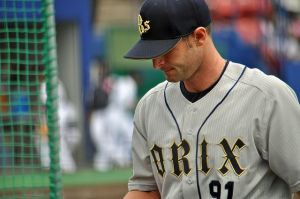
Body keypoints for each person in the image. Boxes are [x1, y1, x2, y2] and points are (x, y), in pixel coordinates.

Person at [122, 0, 300, 198]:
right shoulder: (149, 106)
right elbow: (147, 190)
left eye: (166, 51)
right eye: (152, 53)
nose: (157, 63)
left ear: (199, 36)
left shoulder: (267, 97)